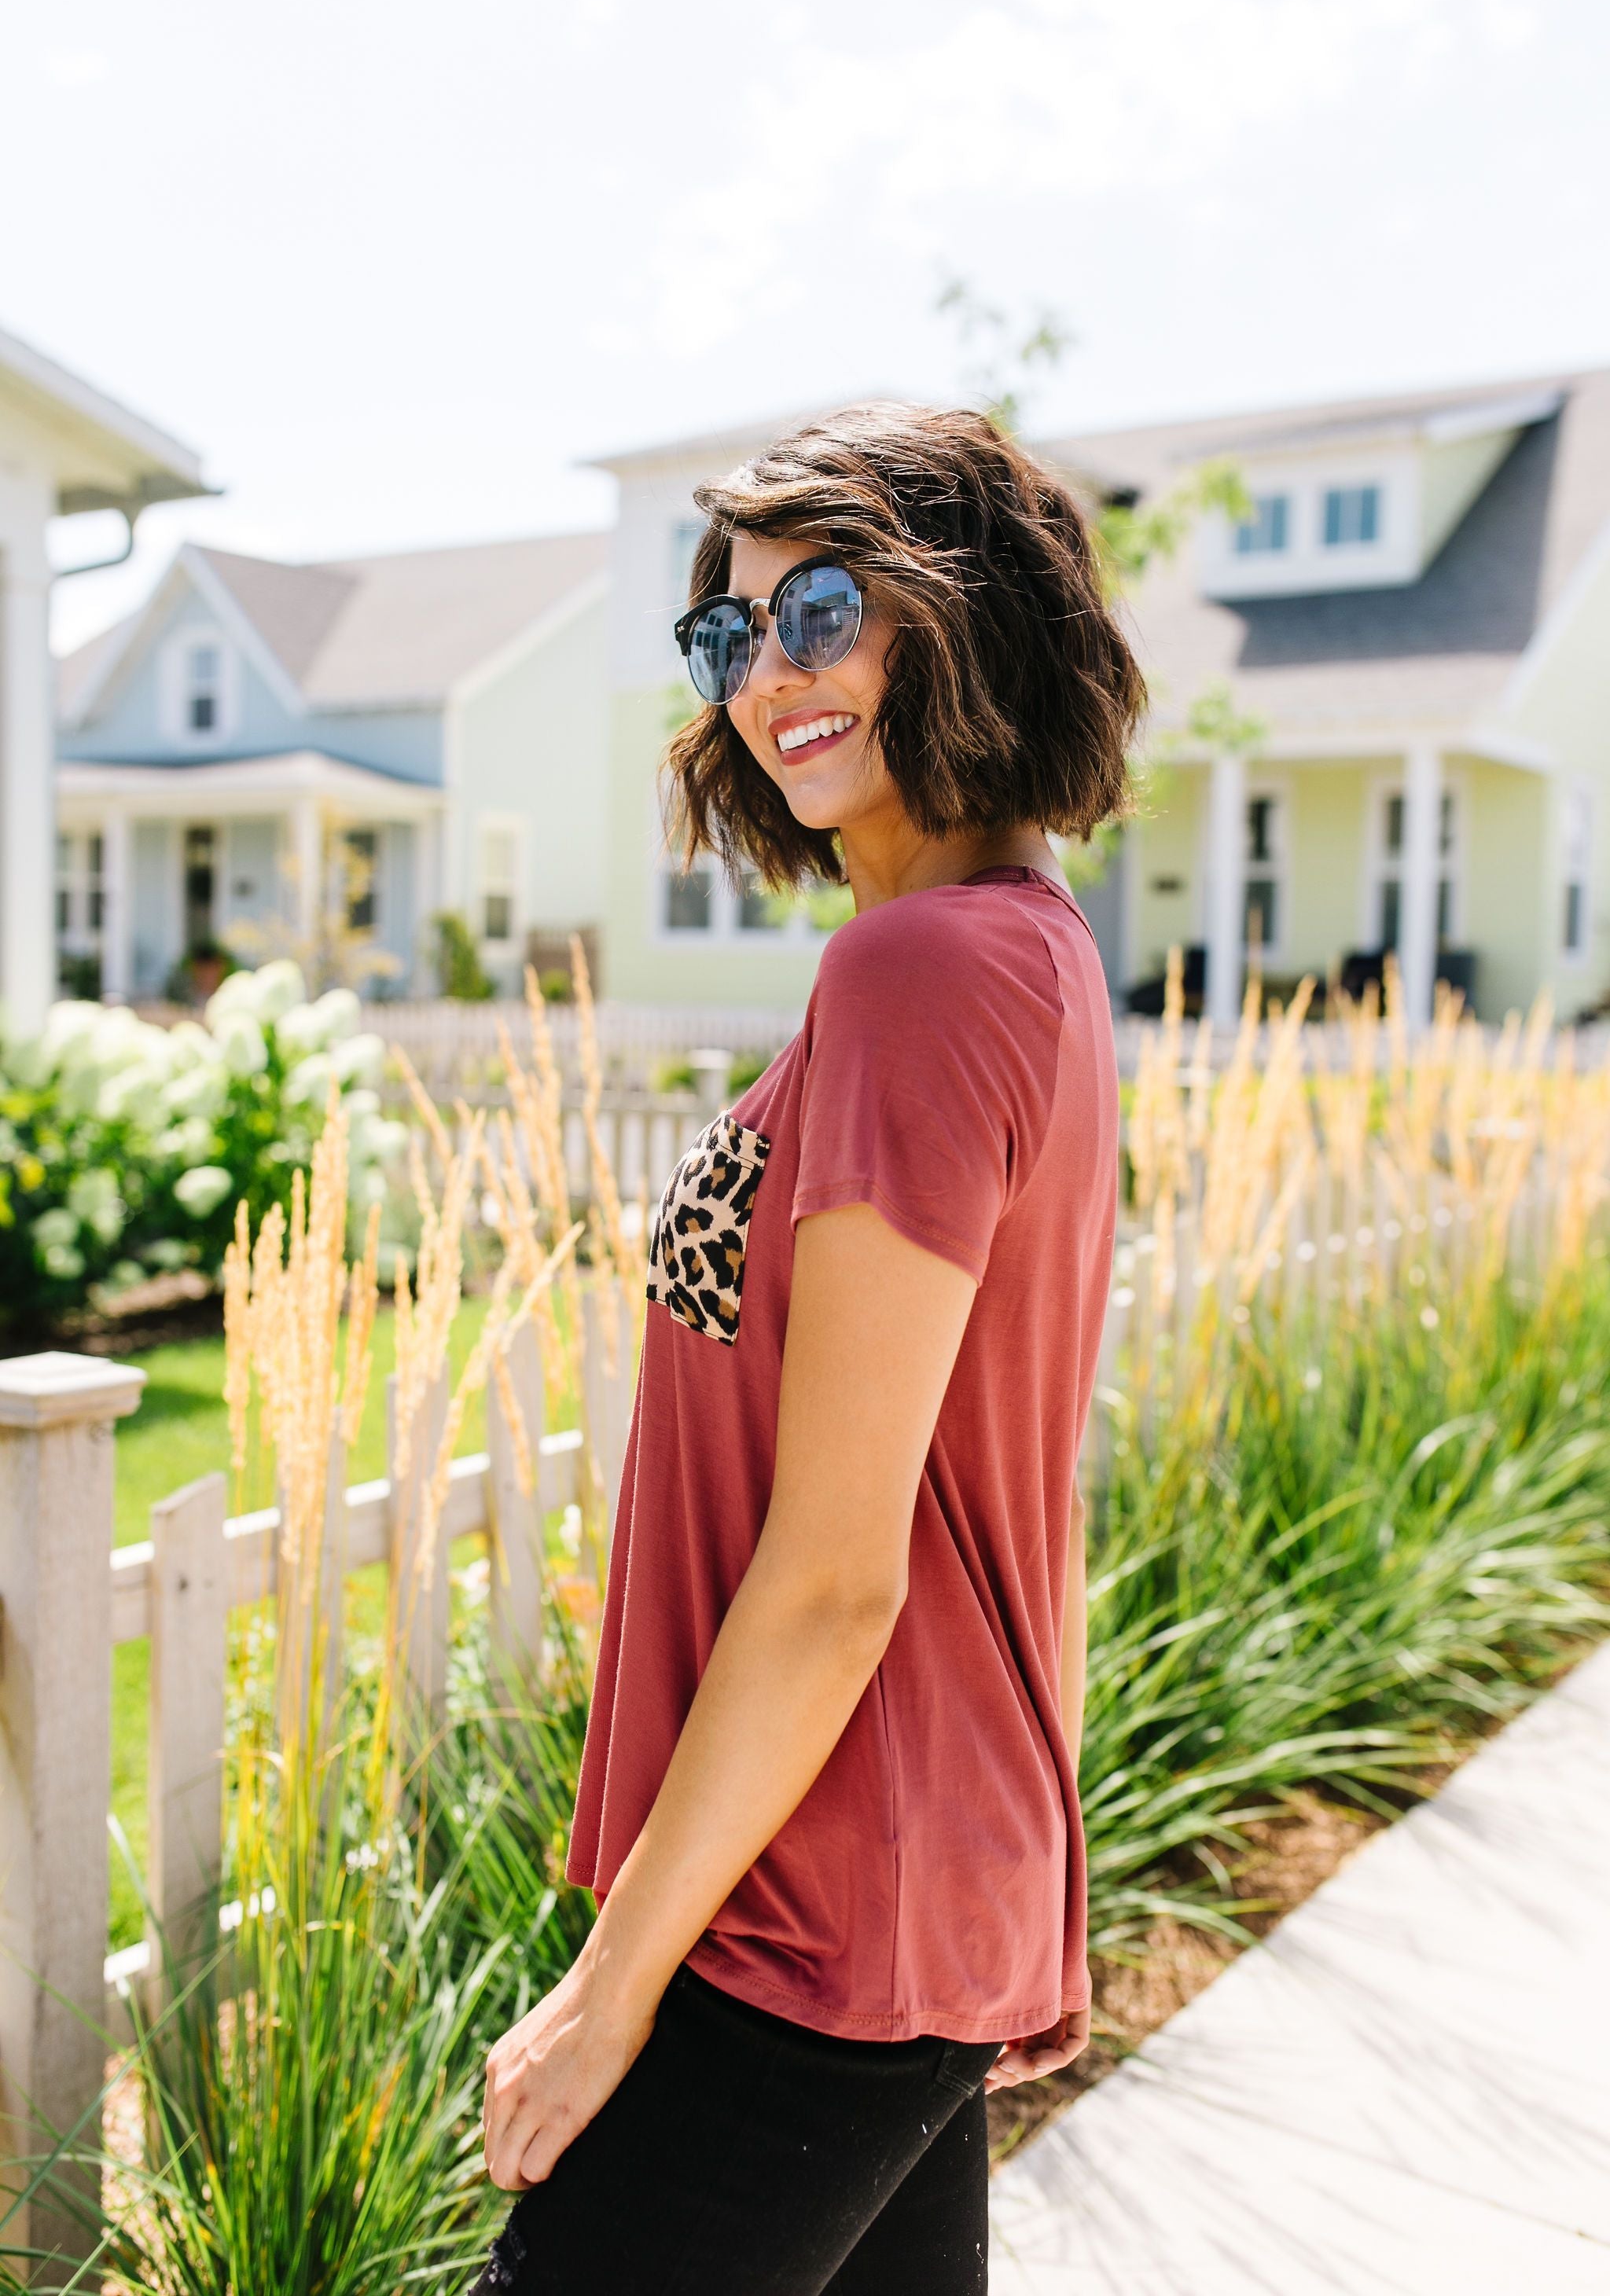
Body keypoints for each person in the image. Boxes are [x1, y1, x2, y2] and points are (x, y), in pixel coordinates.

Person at [474, 402, 1143, 2294]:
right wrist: (1033, 1881)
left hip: (808, 1922)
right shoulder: (1029, 950)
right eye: (729, 632)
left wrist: (610, 1998)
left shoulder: (921, 974)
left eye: (823, 608)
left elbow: (843, 1576)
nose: (770, 672)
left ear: (964, 615)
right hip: (909, 1891)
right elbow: (1021, 1493)